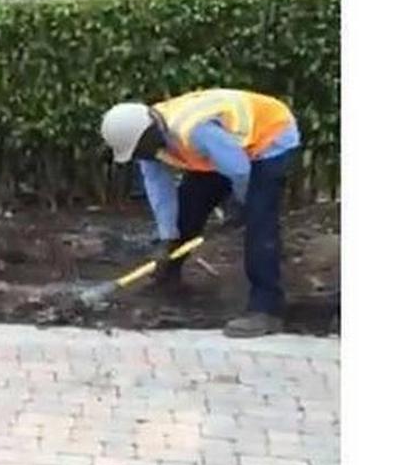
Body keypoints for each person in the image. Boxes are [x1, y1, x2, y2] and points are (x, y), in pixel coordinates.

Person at [99, 88, 301, 338]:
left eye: (140, 150)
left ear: (149, 134)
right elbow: (160, 191)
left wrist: (242, 206)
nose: (143, 157)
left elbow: (239, 170)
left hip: (269, 136)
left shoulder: (194, 131)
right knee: (189, 208)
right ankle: (167, 279)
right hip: (225, 150)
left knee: (259, 223)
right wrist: (167, 238)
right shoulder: (147, 142)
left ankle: (267, 309)